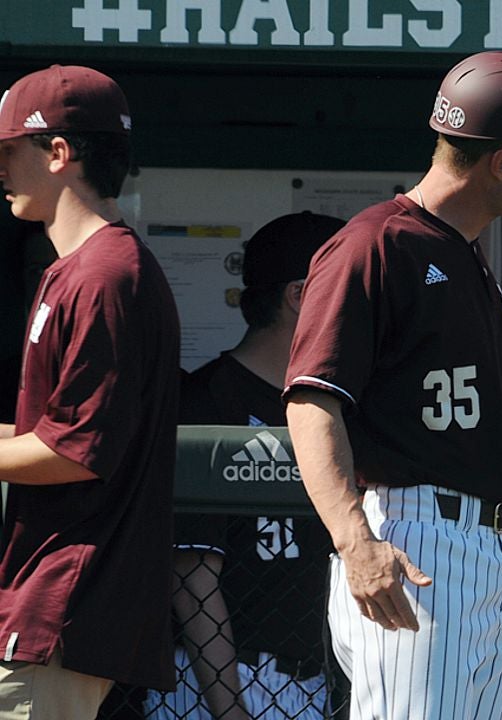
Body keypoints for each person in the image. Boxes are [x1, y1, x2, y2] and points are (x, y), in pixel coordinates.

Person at [283, 52, 502, 720]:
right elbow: (313, 401)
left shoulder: (461, 250)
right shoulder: (375, 245)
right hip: (412, 538)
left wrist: (497, 562)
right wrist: (353, 540)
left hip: (479, 542)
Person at [0, 65, 180, 718]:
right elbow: (49, 431)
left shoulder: (107, 275)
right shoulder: (75, 269)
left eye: (7, 150)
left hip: (69, 604)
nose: (0, 169)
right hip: (51, 599)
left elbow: (74, 451)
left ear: (58, 153)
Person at [145, 212, 343, 720]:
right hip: (217, 677)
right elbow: (191, 579)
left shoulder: (330, 406)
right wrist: (230, 709)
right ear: (300, 296)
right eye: (347, 291)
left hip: (310, 678)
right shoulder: (205, 399)